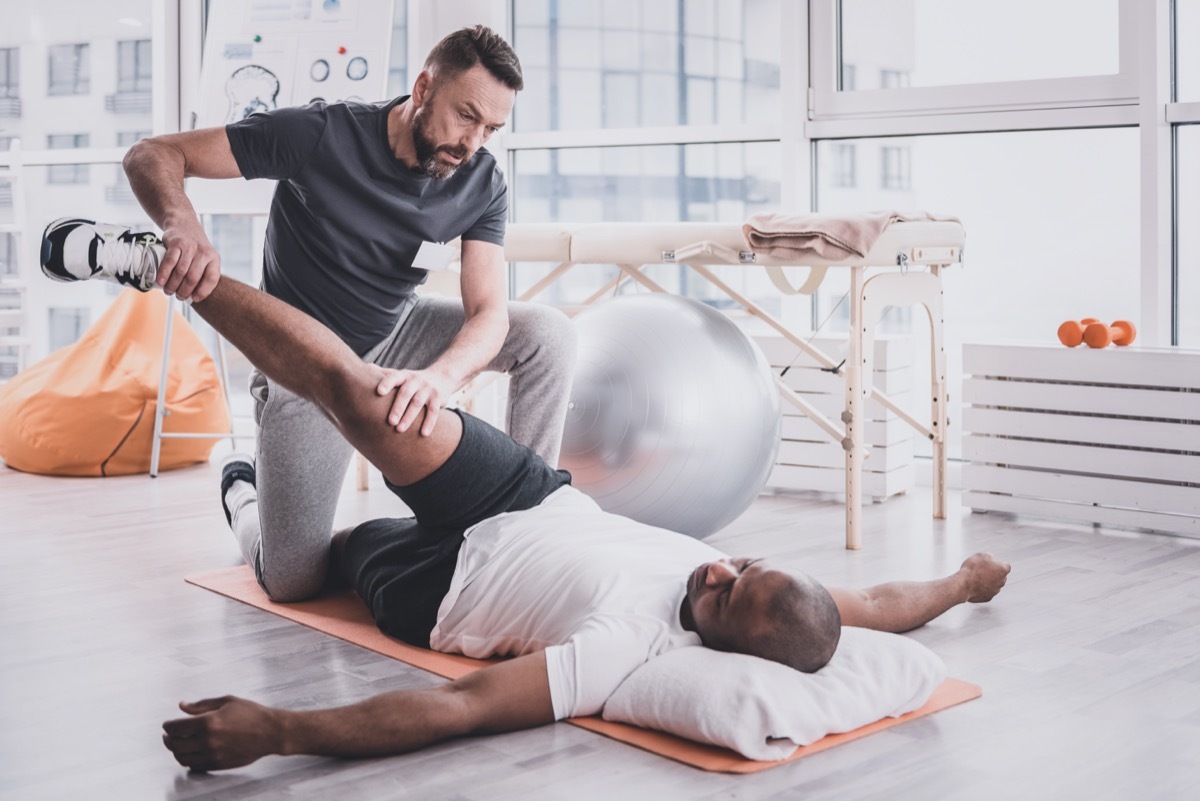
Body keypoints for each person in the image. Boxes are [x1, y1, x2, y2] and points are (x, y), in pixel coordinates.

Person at [41, 225, 1013, 774]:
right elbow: (884, 608)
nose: (719, 566)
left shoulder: (625, 653)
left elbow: (459, 709)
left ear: (721, 644)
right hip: (525, 494)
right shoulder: (781, 602)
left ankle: (245, 496)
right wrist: (968, 578)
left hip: (439, 585)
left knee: (298, 569)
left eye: (721, 595)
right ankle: (162, 266)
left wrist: (281, 733)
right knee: (361, 394)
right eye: (744, 565)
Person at [119, 24, 578, 603]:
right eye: (466, 116)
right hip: (304, 364)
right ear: (422, 87)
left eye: (491, 128)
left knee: (550, 334)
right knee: (292, 581)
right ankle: (242, 488)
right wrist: (181, 224)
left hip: (398, 331)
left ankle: (524, 522)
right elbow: (153, 154)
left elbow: (489, 313)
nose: (474, 142)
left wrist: (439, 378)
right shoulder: (319, 133)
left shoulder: (480, 181)